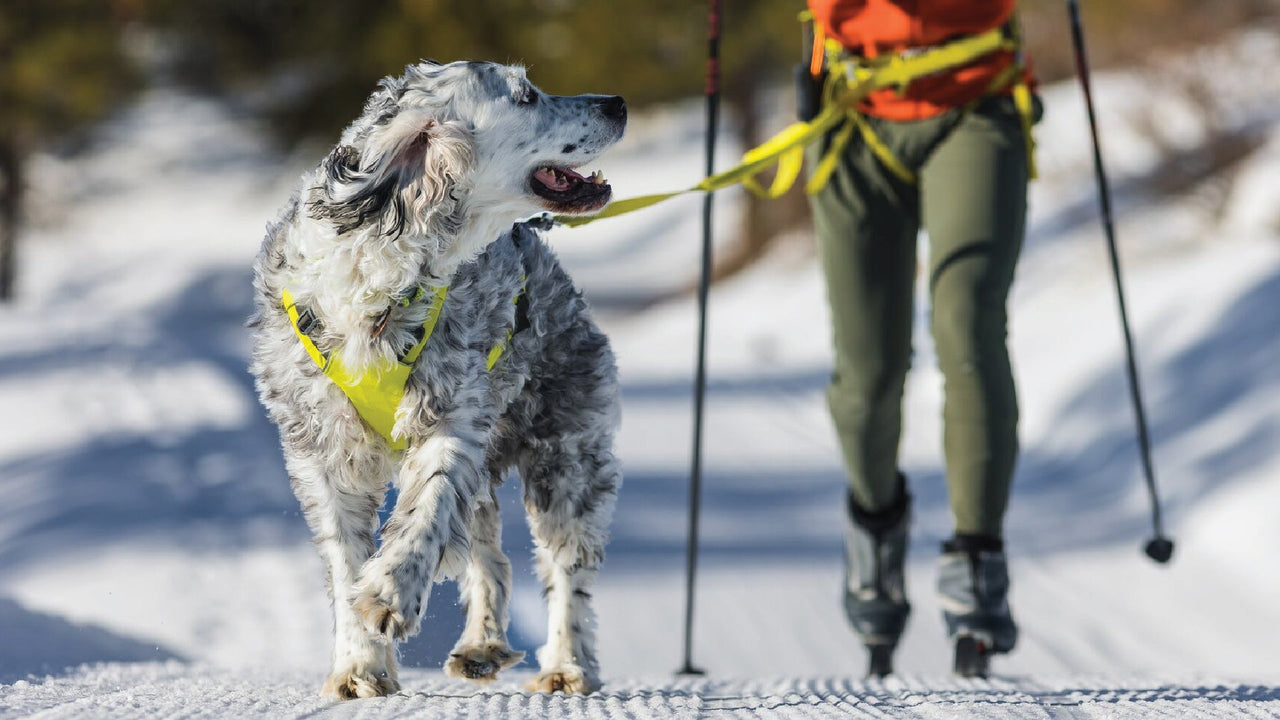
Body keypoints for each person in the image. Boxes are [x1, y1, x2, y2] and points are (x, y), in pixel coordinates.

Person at [801, 0, 1040, 677]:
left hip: (976, 94)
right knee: (868, 371)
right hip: (853, 105)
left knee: (967, 328)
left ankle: (977, 573)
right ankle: (874, 545)